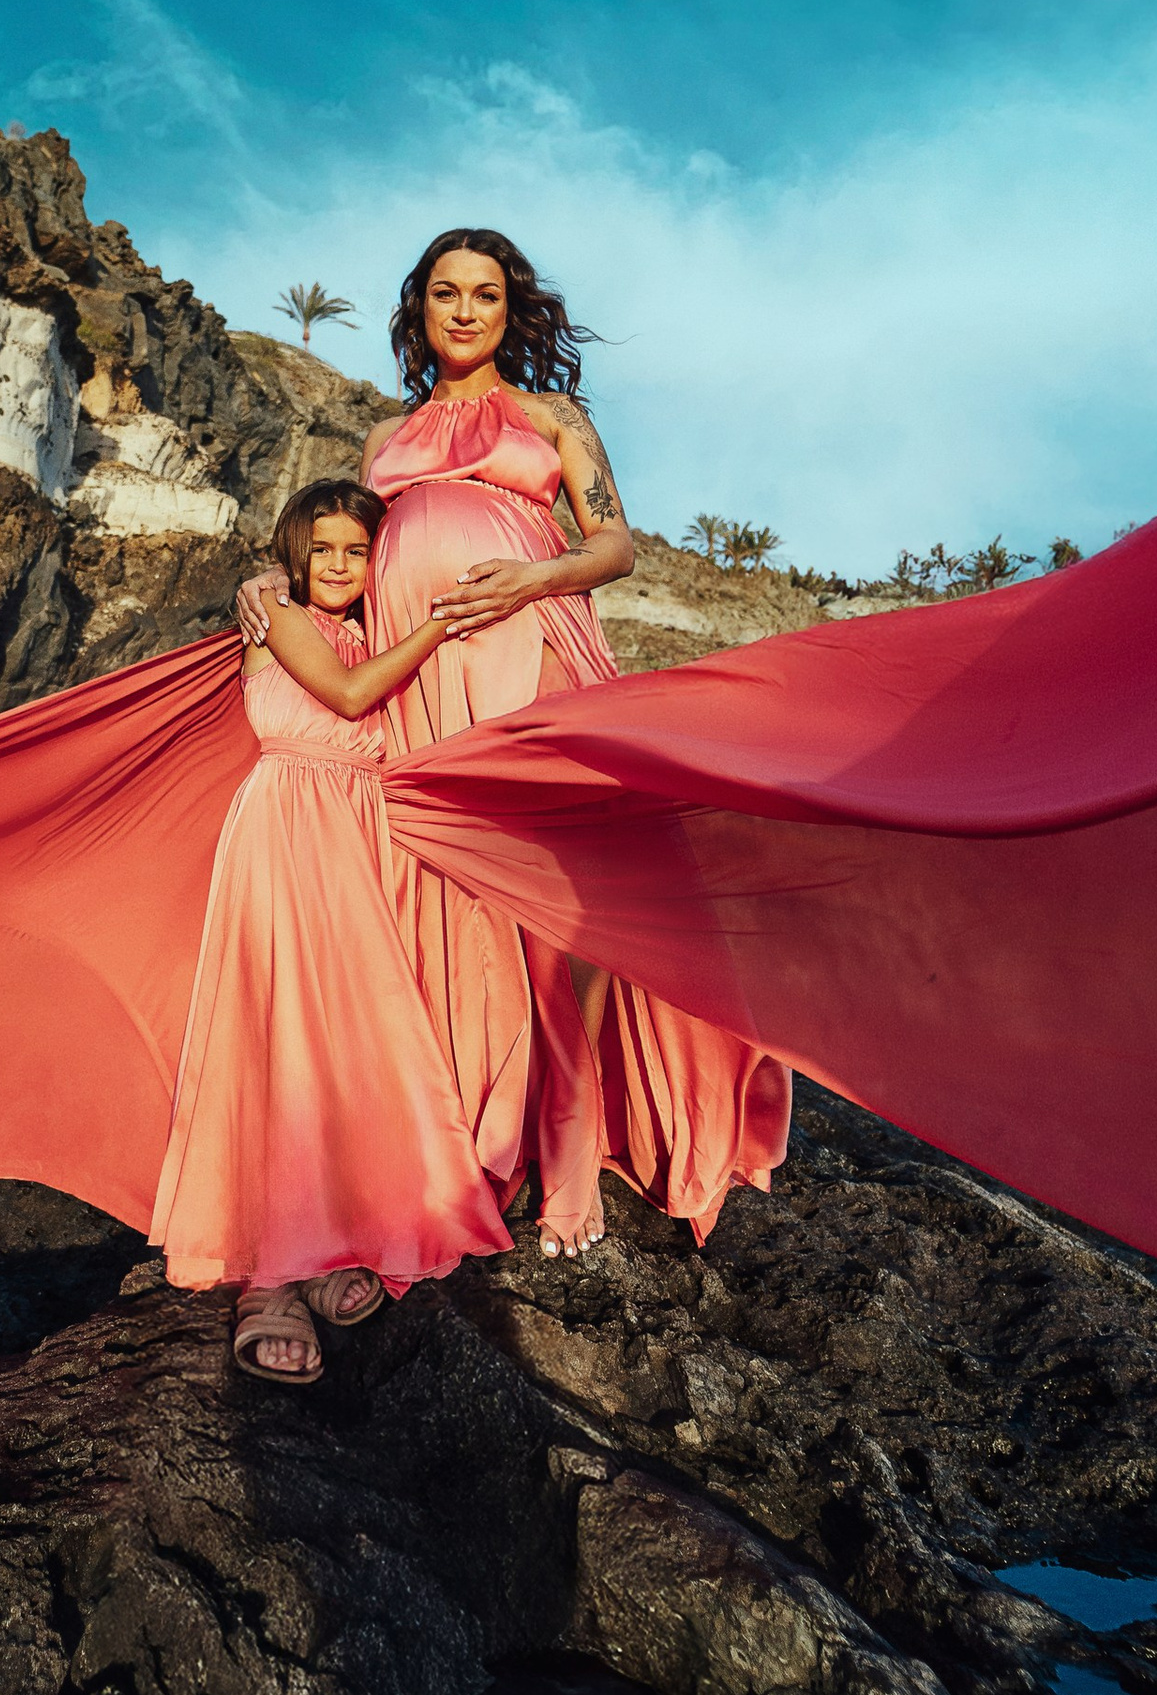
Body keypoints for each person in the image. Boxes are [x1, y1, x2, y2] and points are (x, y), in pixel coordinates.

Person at [245, 230, 790, 1259]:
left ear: (511, 311)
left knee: (559, 896)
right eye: (444, 293)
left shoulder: (551, 416)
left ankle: (570, 1141)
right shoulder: (380, 440)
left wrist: (529, 580)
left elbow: (614, 545)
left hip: (535, 648)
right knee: (448, 905)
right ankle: (469, 1142)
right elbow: (344, 565)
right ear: (419, 311)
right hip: (424, 683)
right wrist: (268, 588)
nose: (463, 311)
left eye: (483, 295)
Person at [151, 481, 512, 1381]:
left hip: (358, 835)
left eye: (358, 550)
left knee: (353, 1040)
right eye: (325, 552)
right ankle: (267, 1276)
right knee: (282, 1041)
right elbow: (350, 697)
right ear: (295, 557)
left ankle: (329, 1239)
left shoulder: (366, 628)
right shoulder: (279, 614)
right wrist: (439, 625)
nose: (342, 567)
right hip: (290, 829)